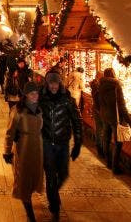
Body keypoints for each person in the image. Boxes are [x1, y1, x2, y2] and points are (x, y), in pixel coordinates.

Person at [40, 71, 82, 220]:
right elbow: (29, 111)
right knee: (51, 176)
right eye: (51, 83)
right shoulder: (41, 98)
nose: (53, 86)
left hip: (63, 144)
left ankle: (52, 193)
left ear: (59, 83)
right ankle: (55, 207)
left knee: (63, 174)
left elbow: (77, 121)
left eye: (55, 83)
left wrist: (78, 143)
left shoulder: (67, 100)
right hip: (46, 144)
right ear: (47, 83)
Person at [3, 82, 44, 222]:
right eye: (32, 94)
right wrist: (7, 151)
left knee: (34, 178)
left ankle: (30, 203)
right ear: (26, 95)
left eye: (37, 93)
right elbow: (9, 133)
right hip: (24, 149)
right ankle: (30, 214)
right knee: (23, 181)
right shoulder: (17, 110)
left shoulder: (39, 110)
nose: (35, 96)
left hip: (38, 149)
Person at [98, 67, 130, 174]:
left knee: (106, 138)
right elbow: (121, 104)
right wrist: (127, 119)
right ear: (113, 74)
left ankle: (108, 162)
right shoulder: (116, 86)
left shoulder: (101, 85)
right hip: (114, 117)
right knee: (118, 142)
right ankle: (115, 167)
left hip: (104, 115)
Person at [89, 70, 105, 157]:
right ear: (98, 77)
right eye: (102, 76)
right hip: (99, 111)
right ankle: (100, 149)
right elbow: (99, 100)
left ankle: (100, 148)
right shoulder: (97, 86)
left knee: (99, 130)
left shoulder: (95, 85)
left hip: (97, 109)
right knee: (100, 131)